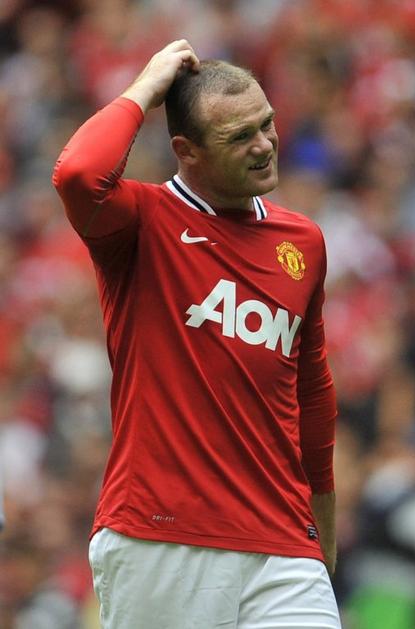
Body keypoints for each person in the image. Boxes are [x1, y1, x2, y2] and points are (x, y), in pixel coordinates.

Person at [53, 39, 341, 629]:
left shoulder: (303, 243)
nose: (264, 145)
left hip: (283, 542)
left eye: (266, 124)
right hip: (162, 538)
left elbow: (311, 395)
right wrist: (147, 86)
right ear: (186, 151)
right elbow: (79, 173)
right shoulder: (142, 222)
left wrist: (322, 532)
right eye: (240, 136)